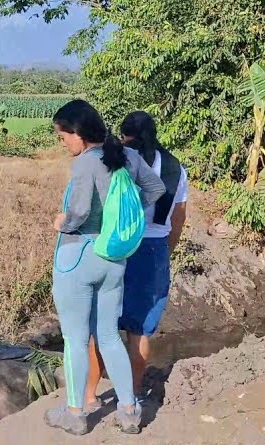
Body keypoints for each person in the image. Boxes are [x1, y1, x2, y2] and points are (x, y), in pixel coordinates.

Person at [45, 100, 165, 436]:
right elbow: (156, 189)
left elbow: (80, 213)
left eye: (64, 136)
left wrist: (62, 224)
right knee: (110, 335)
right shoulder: (126, 155)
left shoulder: (85, 164)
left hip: (78, 259)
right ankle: (129, 410)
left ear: (79, 134)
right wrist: (122, 217)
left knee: (75, 340)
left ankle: (75, 413)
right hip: (113, 260)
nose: (63, 143)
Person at [84, 111, 189, 407]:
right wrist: (165, 252)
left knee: (103, 325)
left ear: (124, 133)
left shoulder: (121, 158)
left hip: (118, 245)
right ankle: (130, 394)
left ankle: (91, 394)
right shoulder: (175, 167)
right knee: (139, 331)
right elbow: (179, 217)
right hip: (155, 248)